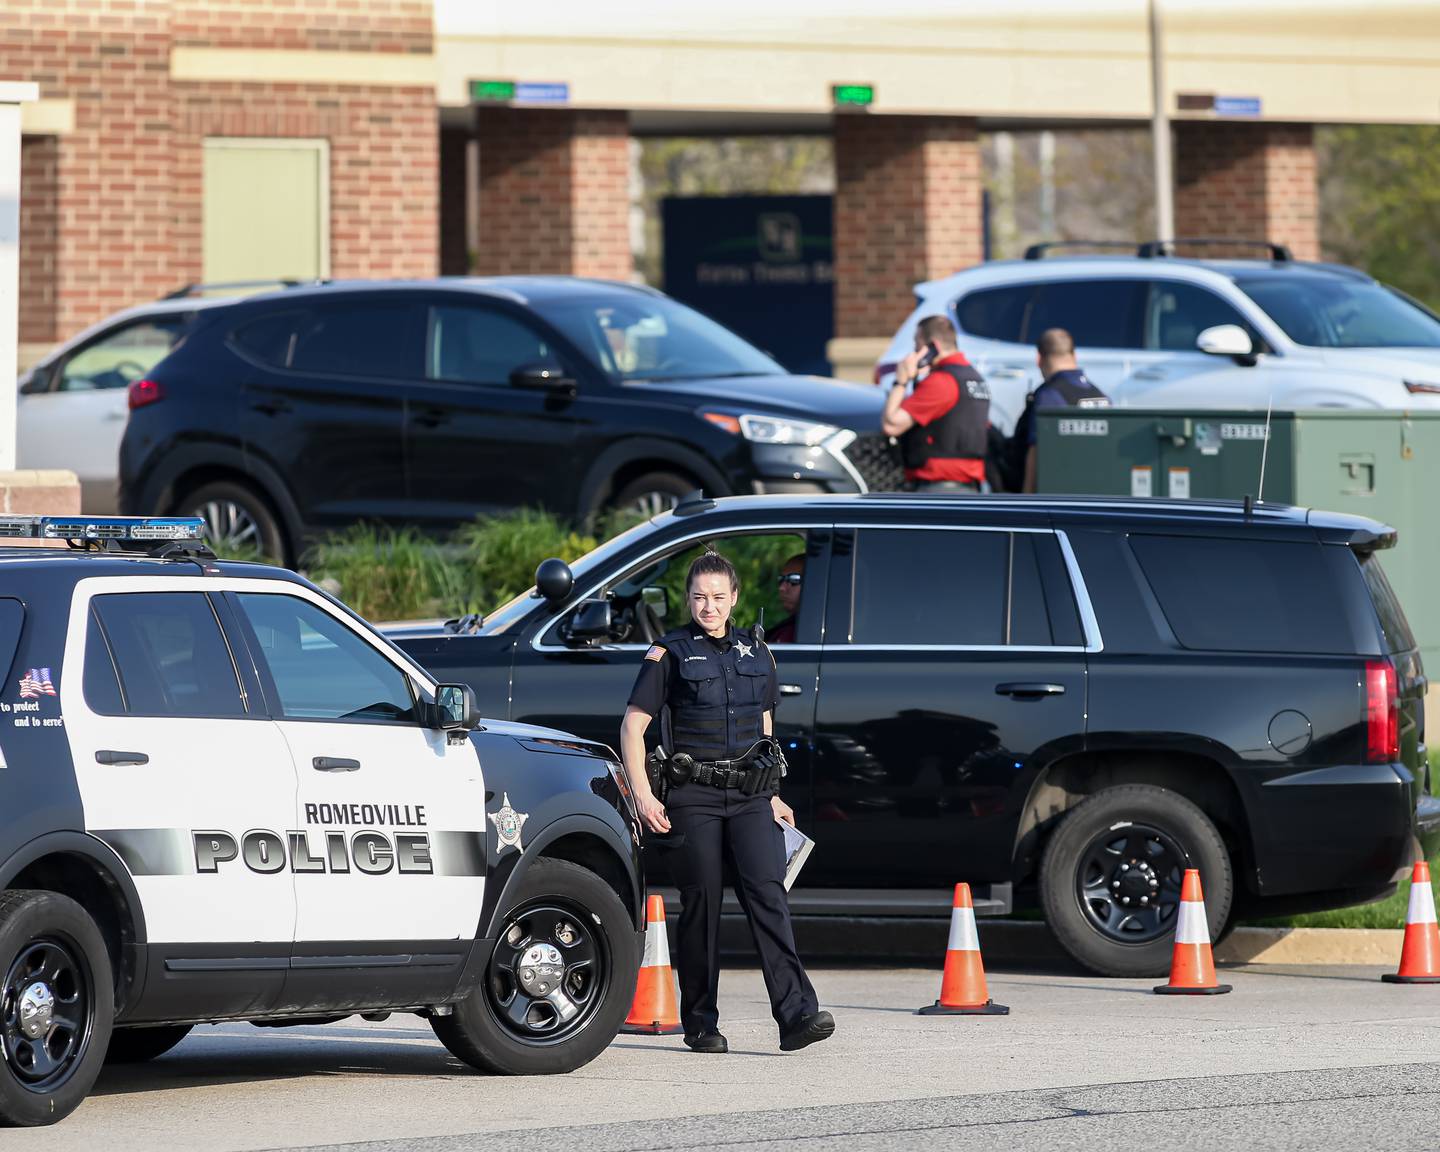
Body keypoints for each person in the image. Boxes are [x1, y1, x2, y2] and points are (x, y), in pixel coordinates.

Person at [619, 549, 834, 1055]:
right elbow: (633, 726)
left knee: (769, 895)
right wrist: (644, 795)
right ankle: (700, 1022)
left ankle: (797, 1015)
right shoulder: (668, 653)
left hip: (749, 794)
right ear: (689, 599)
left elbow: (764, 726)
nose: (708, 607)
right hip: (692, 794)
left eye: (718, 597)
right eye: (699, 597)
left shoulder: (758, 653)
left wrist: (774, 795)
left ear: (735, 598)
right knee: (703, 905)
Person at [881, 314, 991, 493]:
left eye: (917, 346)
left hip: (939, 489)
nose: (914, 353)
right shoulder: (974, 378)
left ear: (933, 347)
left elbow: (891, 424)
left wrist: (901, 381)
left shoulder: (941, 382)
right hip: (970, 488)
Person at [1013, 327, 1111, 494]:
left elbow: (1036, 450)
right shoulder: (1101, 396)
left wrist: (1026, 496)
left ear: (1039, 359)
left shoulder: (1048, 395)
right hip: (1099, 493)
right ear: (1074, 355)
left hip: (1062, 497)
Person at [768, 553, 804, 644]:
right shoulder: (787, 629)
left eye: (793, 579)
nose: (781, 588)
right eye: (781, 579)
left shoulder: (799, 633)